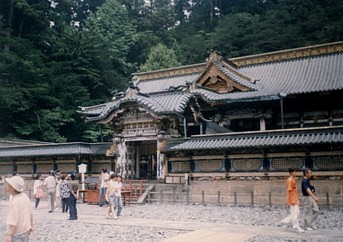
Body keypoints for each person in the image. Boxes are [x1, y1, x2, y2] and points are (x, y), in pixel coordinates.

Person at [5, 175, 33, 242]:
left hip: (16, 234)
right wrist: (31, 226)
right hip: (25, 230)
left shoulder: (15, 201)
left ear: (12, 187)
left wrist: (9, 235)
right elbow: (30, 213)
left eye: (8, 185)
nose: (6, 187)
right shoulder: (25, 196)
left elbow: (13, 220)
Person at [277, 168, 304, 233]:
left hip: (295, 198)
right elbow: (290, 191)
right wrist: (292, 200)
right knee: (295, 214)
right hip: (293, 199)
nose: (295, 173)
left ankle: (282, 222)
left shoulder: (293, 179)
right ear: (291, 173)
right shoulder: (290, 180)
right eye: (294, 172)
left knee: (294, 213)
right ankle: (297, 227)